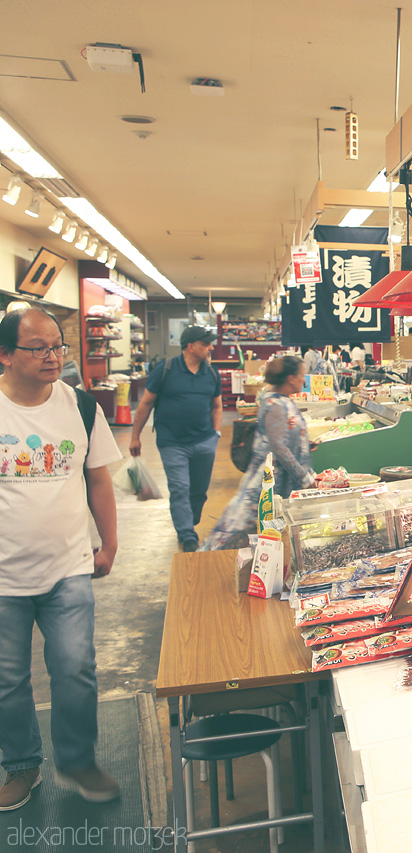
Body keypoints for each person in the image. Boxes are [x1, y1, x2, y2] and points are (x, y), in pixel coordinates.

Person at [0, 307, 123, 809]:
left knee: (74, 667)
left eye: (58, 346)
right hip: (3, 576)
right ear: (5, 355)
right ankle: (21, 766)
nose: (53, 357)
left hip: (68, 567)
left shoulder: (82, 407)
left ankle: (77, 760)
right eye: (39, 348)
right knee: (7, 680)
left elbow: (98, 478)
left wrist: (109, 542)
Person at [202, 356, 316, 551]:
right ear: (290, 378)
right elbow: (278, 446)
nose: (303, 380)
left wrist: (302, 442)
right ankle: (213, 564)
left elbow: (282, 435)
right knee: (245, 528)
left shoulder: (281, 401)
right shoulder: (275, 405)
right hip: (271, 483)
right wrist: (304, 477)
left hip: (281, 480)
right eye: (301, 375)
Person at [130, 325, 222, 552]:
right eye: (206, 343)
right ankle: (187, 533)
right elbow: (145, 404)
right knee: (180, 487)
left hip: (204, 441)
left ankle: (188, 520)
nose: (211, 347)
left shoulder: (211, 372)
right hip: (172, 442)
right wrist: (135, 436)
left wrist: (215, 434)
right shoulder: (166, 370)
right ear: (191, 347)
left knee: (198, 491)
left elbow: (216, 405)